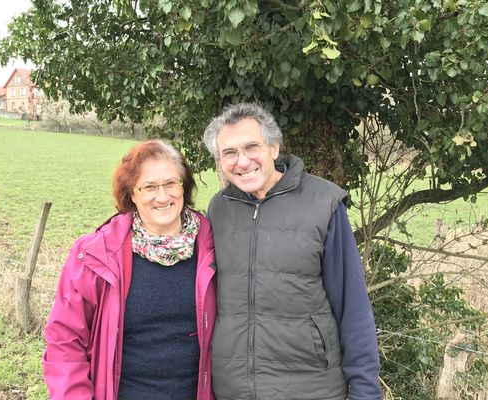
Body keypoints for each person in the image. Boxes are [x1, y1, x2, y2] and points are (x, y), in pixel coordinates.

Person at [203, 103, 382, 399]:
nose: (243, 161)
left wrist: (365, 391)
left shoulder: (323, 204)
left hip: (311, 388)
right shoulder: (219, 209)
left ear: (274, 147)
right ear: (220, 161)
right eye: (229, 153)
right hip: (233, 390)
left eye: (251, 147)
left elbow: (353, 307)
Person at [42, 139, 216, 400]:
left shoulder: (213, 246)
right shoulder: (96, 255)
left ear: (184, 187)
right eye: (149, 187)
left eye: (171, 183)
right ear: (132, 194)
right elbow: (65, 340)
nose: (162, 196)